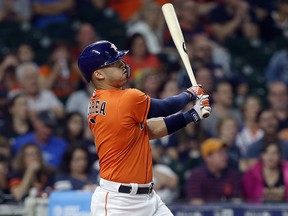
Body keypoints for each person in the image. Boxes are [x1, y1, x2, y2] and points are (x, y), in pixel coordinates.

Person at [77, 40, 211, 216]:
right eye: (115, 63)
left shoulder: (98, 101)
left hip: (148, 198)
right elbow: (164, 107)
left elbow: (149, 130)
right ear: (99, 75)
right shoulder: (125, 98)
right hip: (119, 204)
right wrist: (191, 93)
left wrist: (191, 115)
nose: (123, 65)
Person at [186, 138, 242, 204]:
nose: (225, 156)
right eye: (220, 153)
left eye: (225, 152)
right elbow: (196, 205)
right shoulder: (196, 176)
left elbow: (237, 204)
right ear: (208, 157)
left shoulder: (233, 175)